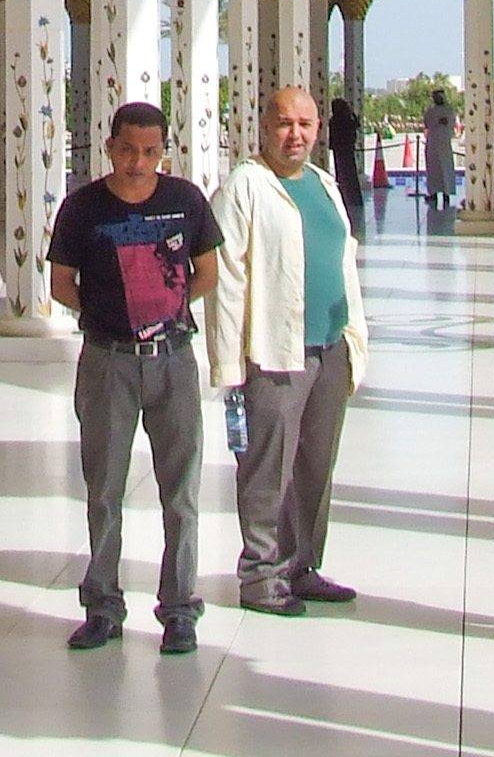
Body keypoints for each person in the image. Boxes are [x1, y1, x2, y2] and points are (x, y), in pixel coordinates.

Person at [47, 101, 221, 657]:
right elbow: (60, 283)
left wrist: (161, 312)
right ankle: (102, 604)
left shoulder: (184, 201)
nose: (137, 163)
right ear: (109, 147)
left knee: (182, 490)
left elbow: (208, 271)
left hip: (172, 359)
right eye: (127, 150)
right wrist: (108, 314)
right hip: (107, 360)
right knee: (104, 488)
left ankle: (179, 608)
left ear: (163, 152)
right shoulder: (83, 208)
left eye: (149, 152)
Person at [206, 87, 367, 615]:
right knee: (267, 466)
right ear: (263, 126)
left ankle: (301, 566)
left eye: (304, 124)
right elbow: (227, 280)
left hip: (329, 346)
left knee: (315, 467)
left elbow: (344, 262)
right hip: (274, 353)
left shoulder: (323, 184)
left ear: (317, 128)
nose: (294, 134)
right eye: (283, 123)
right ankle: (261, 576)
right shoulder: (244, 186)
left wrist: (355, 338)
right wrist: (229, 363)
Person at [327, 93, 364, 232]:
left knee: (341, 174)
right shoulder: (347, 118)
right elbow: (356, 126)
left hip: (339, 149)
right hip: (347, 148)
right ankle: (354, 198)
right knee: (350, 173)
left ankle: (344, 198)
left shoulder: (334, 119)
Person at [422, 88, 457, 210]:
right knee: (433, 169)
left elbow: (449, 123)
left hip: (444, 145)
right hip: (432, 144)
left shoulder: (449, 110)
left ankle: (447, 193)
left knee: (445, 169)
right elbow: (428, 123)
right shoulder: (431, 111)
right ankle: (433, 193)